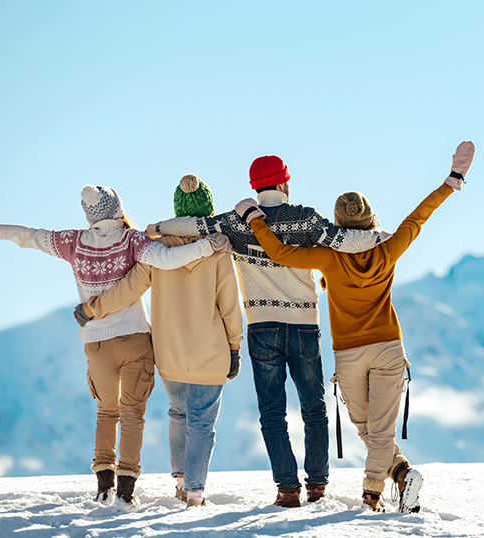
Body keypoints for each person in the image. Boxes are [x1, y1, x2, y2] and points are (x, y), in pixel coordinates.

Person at [0, 185, 230, 509]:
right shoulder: (133, 240)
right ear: (117, 207)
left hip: (96, 343)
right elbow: (168, 258)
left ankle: (104, 487)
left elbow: (29, 236)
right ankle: (125, 491)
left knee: (106, 413)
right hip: (134, 338)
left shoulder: (73, 242)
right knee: (133, 415)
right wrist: (207, 247)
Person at [235, 141, 475, 513]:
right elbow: (419, 217)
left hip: (348, 355)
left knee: (369, 429)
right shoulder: (388, 248)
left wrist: (254, 219)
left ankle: (372, 496)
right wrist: (452, 180)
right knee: (374, 430)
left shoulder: (328, 258)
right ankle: (401, 474)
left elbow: (280, 253)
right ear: (370, 221)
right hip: (388, 349)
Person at [145, 156, 391, 507]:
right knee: (313, 409)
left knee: (272, 412)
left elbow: (194, 225)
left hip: (262, 328)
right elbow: (345, 240)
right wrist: (383, 237)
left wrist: (156, 227)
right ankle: (317, 486)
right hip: (304, 325)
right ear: (284, 184)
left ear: (255, 188)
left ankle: (287, 489)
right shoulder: (305, 217)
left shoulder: (234, 222)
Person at [74, 175, 243, 508]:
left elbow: (128, 289)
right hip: (210, 353)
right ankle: (195, 492)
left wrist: (92, 308)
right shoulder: (219, 252)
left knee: (178, 414)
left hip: (168, 354)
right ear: (206, 211)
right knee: (202, 422)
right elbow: (230, 307)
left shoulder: (158, 250)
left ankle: (181, 484)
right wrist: (235, 347)